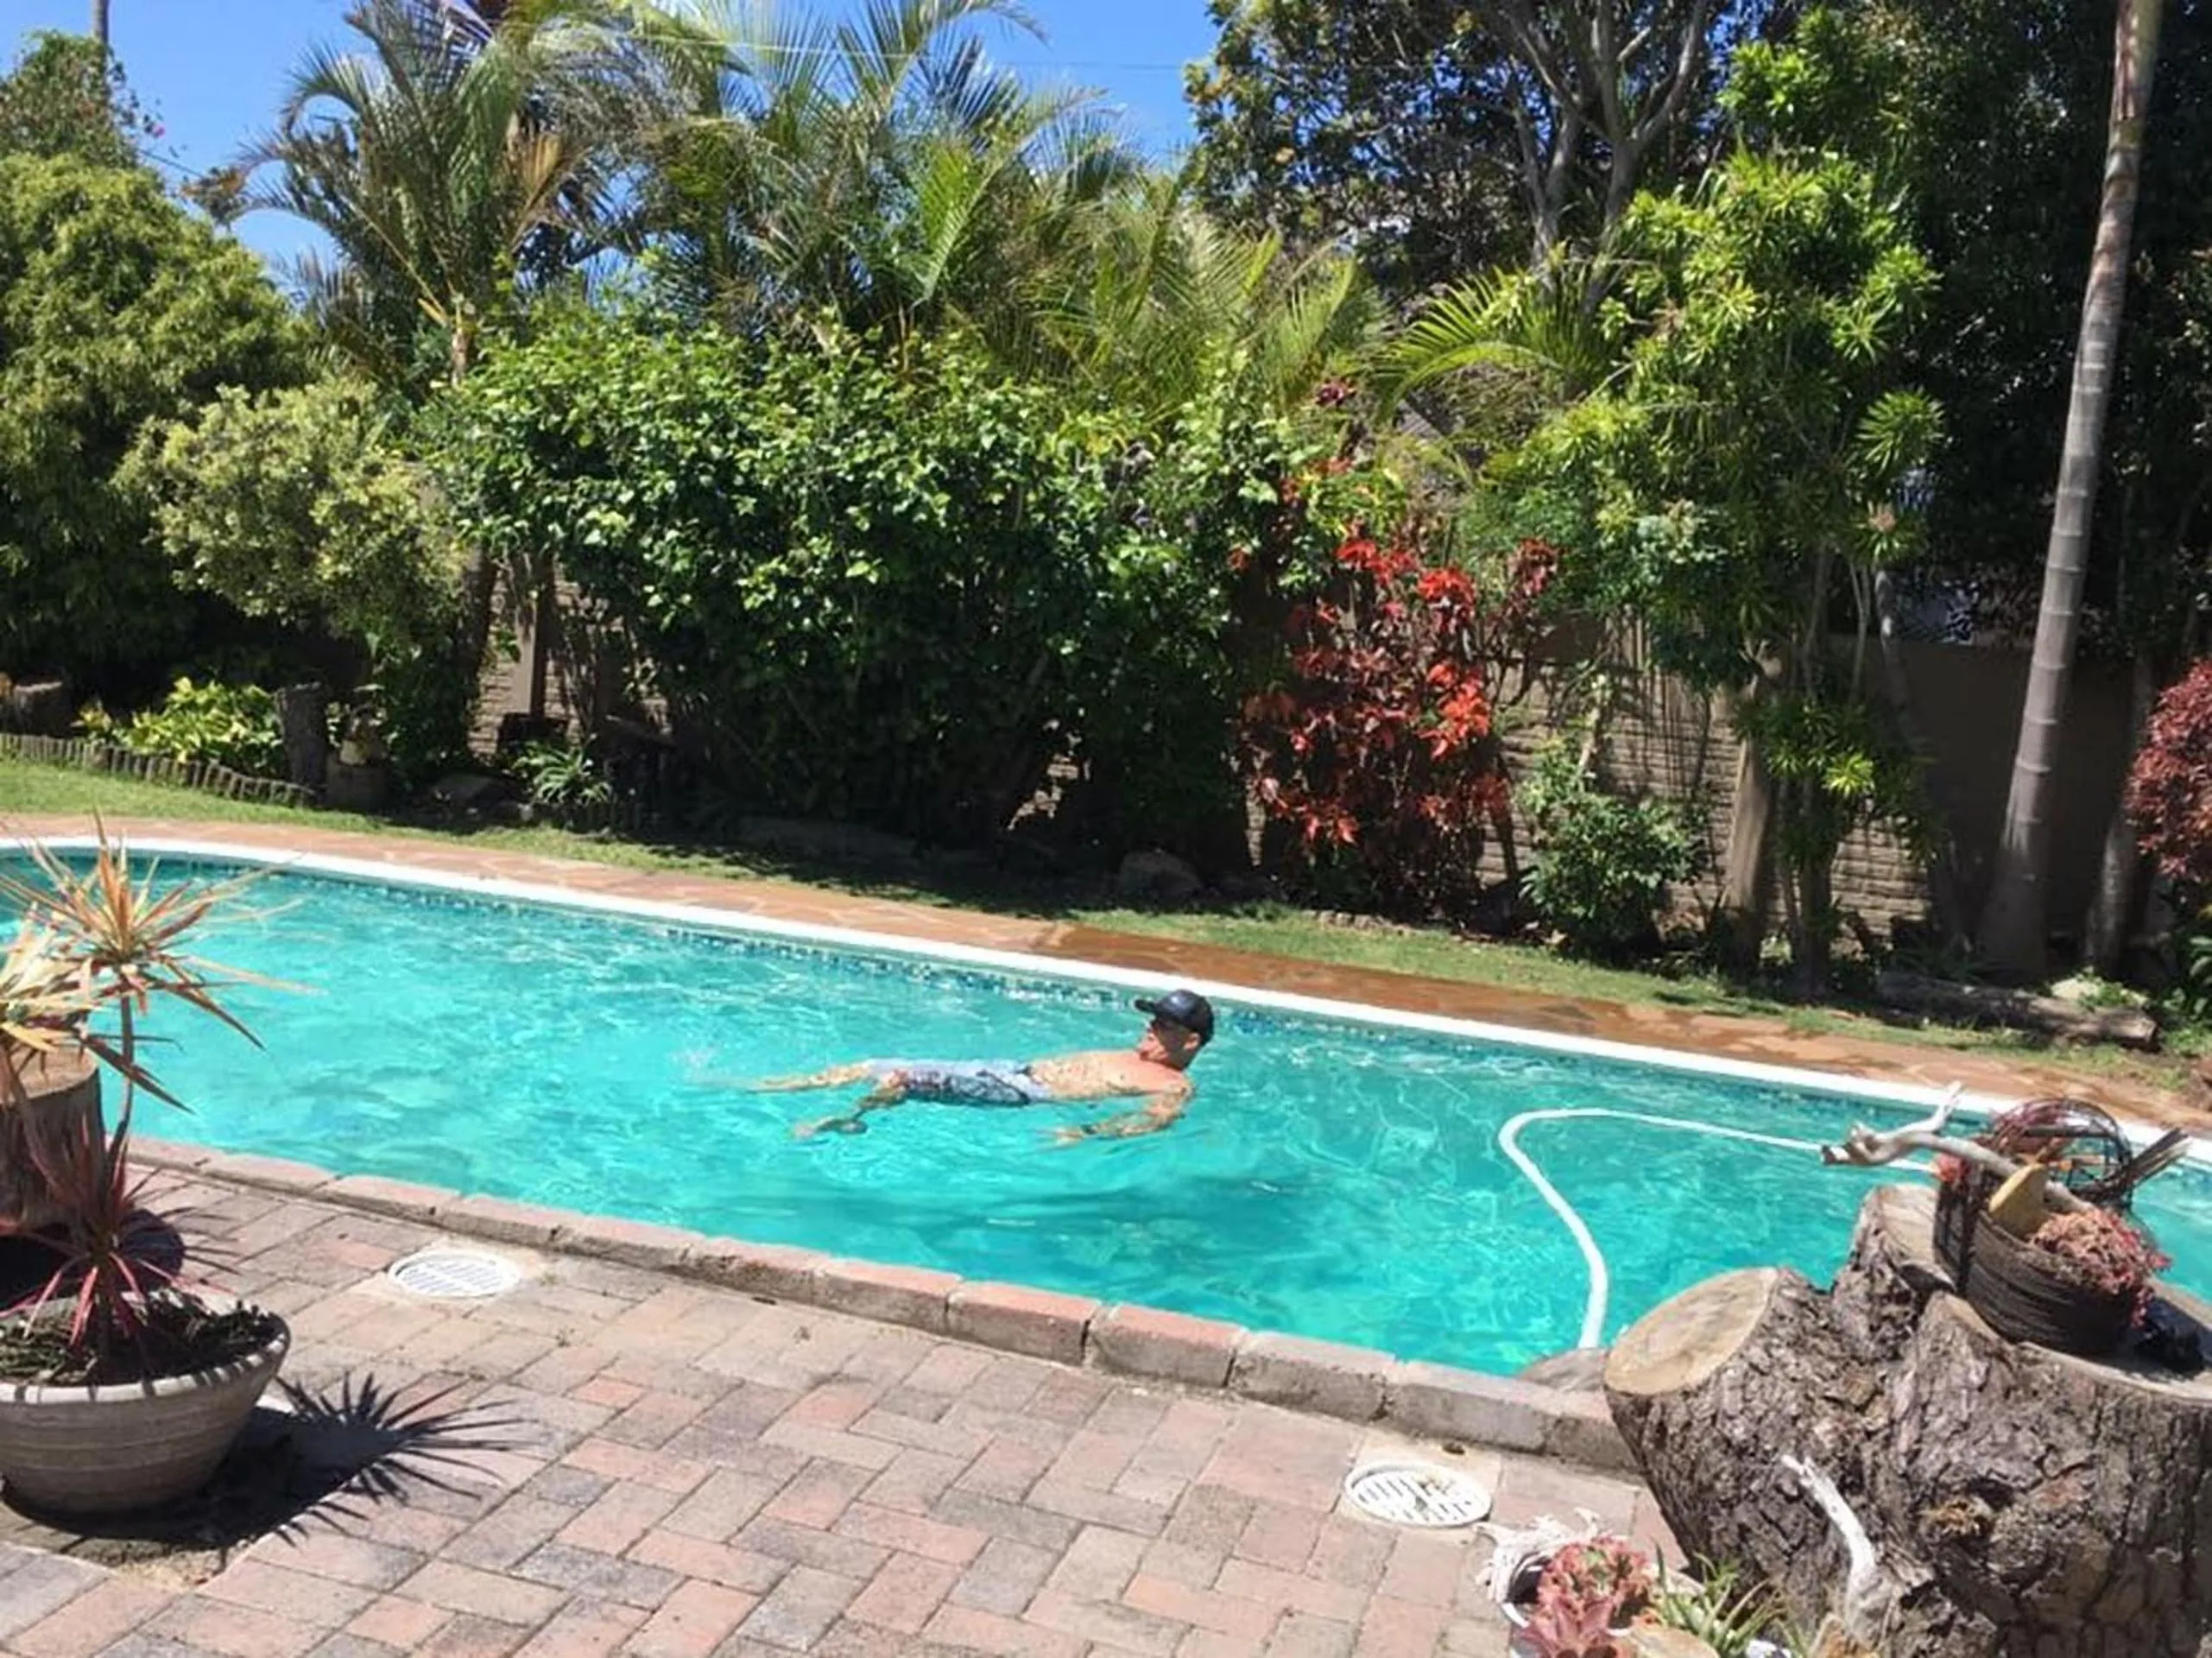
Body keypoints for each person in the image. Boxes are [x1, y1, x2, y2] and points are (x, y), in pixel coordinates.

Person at [754, 989, 1216, 1142]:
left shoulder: (1174, 1086)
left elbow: (1151, 1124)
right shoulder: (1132, 1054)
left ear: (1191, 1040)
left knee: (905, 1080)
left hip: (1020, 1094)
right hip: (1007, 1068)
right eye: (1152, 1019)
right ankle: (769, 1087)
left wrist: (1083, 1134)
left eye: (1163, 1025)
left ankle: (842, 1121)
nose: (1150, 1027)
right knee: (877, 1063)